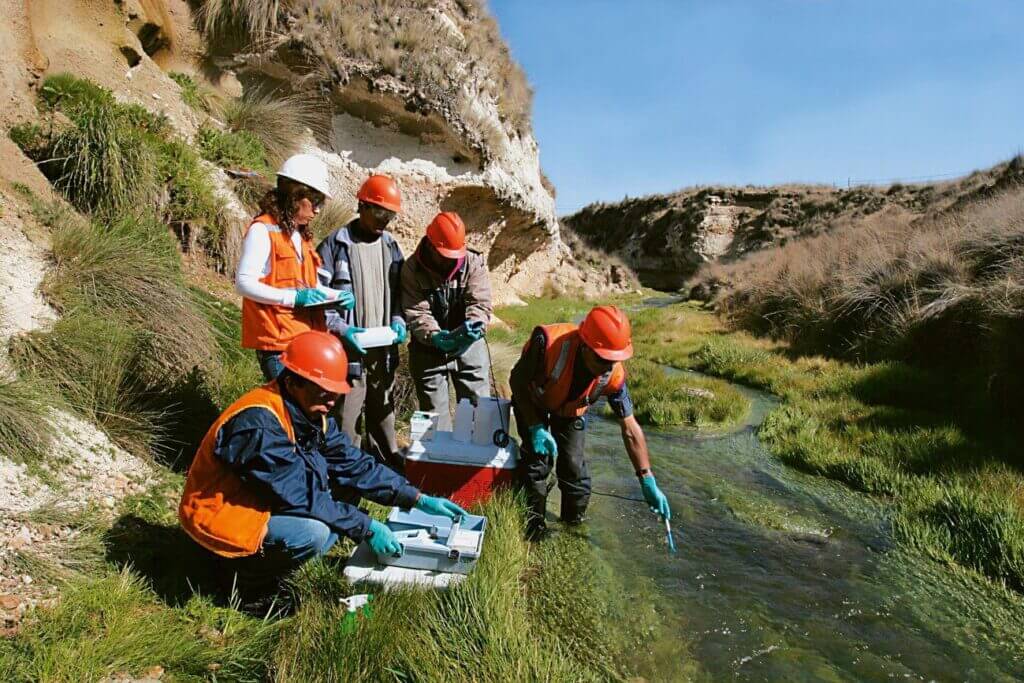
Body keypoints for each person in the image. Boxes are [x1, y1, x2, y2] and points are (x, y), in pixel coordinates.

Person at [178, 330, 466, 596]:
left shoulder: (309, 413)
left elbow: (354, 465)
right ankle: (245, 587)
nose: (331, 401)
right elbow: (300, 495)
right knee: (313, 533)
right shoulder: (260, 424)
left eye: (335, 392)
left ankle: (292, 565)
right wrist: (366, 527)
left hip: (267, 498)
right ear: (292, 381)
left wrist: (415, 498)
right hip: (222, 520)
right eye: (323, 391)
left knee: (349, 489)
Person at [508, 305, 671, 538]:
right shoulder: (547, 343)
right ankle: (533, 529)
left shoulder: (613, 374)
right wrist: (534, 426)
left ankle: (571, 531)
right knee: (537, 464)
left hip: (570, 411)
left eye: (612, 361)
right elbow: (517, 380)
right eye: (602, 359)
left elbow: (630, 428)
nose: (606, 366)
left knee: (574, 469)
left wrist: (647, 478)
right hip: (532, 400)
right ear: (584, 345)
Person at [236, 153, 354, 381]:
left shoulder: (301, 237)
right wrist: (293, 299)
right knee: (290, 410)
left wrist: (336, 294)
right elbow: (244, 283)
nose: (318, 210)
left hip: (306, 340)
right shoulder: (262, 231)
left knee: (304, 413)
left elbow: (310, 288)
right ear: (294, 195)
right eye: (315, 201)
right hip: (278, 345)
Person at [317, 175, 407, 467]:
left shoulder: (392, 248)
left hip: (383, 354)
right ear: (362, 206)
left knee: (384, 421)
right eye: (379, 213)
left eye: (390, 215)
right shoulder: (334, 246)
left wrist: (398, 321)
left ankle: (388, 479)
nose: (384, 221)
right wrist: (344, 331)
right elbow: (321, 304)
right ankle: (345, 483)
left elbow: (401, 297)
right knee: (346, 423)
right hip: (348, 356)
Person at [401, 211, 493, 430]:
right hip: (428, 350)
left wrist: (474, 325)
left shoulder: (473, 262)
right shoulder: (411, 269)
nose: (451, 260)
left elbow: (480, 302)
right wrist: (434, 336)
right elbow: (416, 311)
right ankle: (436, 463)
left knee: (480, 419)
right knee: (433, 427)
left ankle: (475, 463)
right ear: (432, 246)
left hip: (469, 346)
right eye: (445, 254)